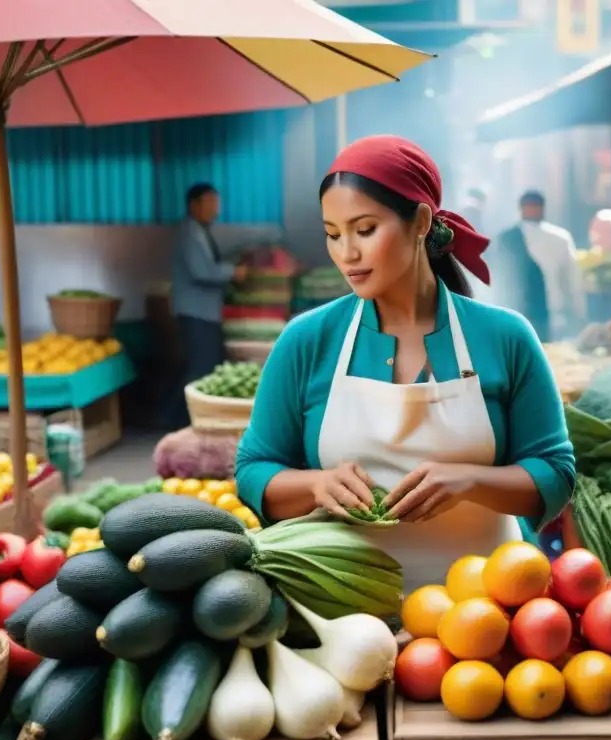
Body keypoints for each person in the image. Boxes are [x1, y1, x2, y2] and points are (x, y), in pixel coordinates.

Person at [234, 136, 575, 594]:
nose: (346, 254)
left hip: (484, 609)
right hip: (341, 609)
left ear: (419, 221)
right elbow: (255, 469)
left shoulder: (505, 336)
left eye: (365, 229)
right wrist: (316, 485)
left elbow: (555, 472)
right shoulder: (307, 340)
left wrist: (471, 481)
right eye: (333, 234)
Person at [169, 183, 245, 425]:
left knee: (198, 365)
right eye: (210, 203)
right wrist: (234, 272)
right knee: (200, 369)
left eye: (216, 203)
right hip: (196, 312)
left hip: (204, 311)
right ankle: (180, 420)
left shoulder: (199, 231)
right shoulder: (191, 233)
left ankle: (175, 417)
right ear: (194, 205)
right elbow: (203, 270)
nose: (215, 209)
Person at [491, 191, 587, 341]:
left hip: (547, 315)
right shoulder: (508, 238)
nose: (532, 209)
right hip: (518, 313)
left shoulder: (559, 238)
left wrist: (577, 311)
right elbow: (499, 278)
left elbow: (571, 279)